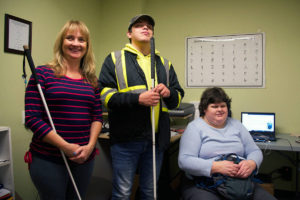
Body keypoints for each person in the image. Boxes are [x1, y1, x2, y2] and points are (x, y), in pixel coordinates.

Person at [98, 14, 184, 199]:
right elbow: (104, 95)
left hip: (156, 140)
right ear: (129, 33)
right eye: (139, 25)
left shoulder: (164, 64)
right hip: (126, 140)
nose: (146, 28)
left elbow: (177, 97)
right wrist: (137, 100)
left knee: (150, 192)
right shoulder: (115, 59)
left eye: (149, 26)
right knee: (122, 192)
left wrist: (169, 93)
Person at [24, 20, 103, 200]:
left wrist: (90, 147)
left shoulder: (91, 80)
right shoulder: (42, 74)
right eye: (70, 38)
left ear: (87, 46)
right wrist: (65, 146)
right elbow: (32, 118)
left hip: (84, 159)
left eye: (81, 40)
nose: (76, 43)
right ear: (61, 42)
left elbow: (97, 117)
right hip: (49, 159)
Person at [178, 87, 277, 200]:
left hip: (238, 182)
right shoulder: (194, 128)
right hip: (204, 183)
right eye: (214, 106)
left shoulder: (237, 125)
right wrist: (215, 167)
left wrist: (251, 163)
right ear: (205, 109)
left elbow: (254, 151)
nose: (220, 109)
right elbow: (184, 161)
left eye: (223, 106)